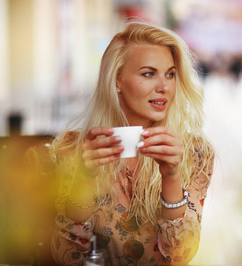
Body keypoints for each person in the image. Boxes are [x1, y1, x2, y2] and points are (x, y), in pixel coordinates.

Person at [50, 22, 215, 265]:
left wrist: (171, 176)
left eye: (170, 74)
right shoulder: (74, 148)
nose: (164, 87)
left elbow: (182, 254)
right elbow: (67, 255)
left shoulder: (195, 152)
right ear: (116, 80)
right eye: (148, 74)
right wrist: (85, 177)